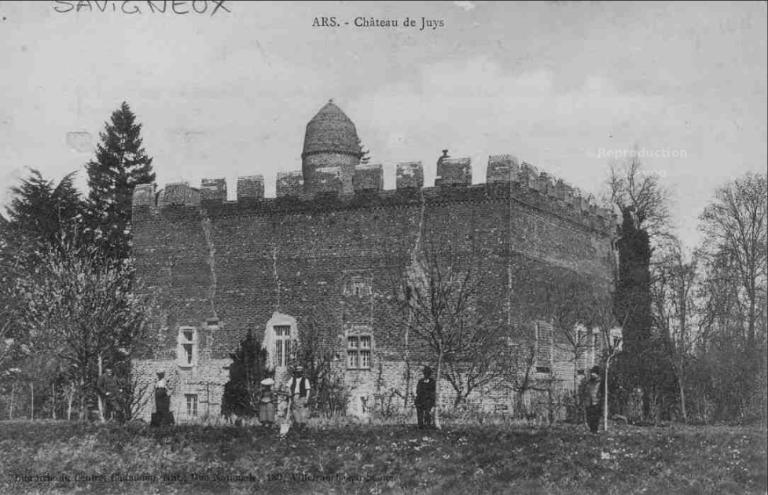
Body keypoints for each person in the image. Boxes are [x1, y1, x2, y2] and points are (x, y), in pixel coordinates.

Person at [583, 365, 603, 434]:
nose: (592, 374)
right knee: (589, 417)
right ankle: (592, 430)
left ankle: (595, 431)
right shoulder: (589, 382)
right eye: (591, 373)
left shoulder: (600, 382)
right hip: (589, 402)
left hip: (596, 402)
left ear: (597, 374)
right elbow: (585, 391)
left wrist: (600, 400)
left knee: (595, 418)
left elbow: (602, 392)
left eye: (594, 373)